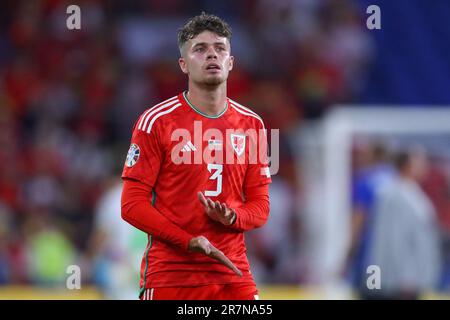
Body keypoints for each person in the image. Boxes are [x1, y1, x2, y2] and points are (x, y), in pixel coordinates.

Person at [120, 13, 272, 300]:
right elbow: (131, 205)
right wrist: (189, 241)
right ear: (183, 64)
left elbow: (260, 207)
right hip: (171, 278)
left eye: (220, 48)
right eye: (200, 49)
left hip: (233, 276)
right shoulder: (156, 121)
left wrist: (232, 217)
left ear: (230, 62)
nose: (211, 54)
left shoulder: (253, 124)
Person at [367, 148, 441, 299]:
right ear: (407, 166)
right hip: (401, 280)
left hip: (415, 276)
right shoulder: (394, 195)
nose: (424, 167)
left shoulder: (413, 193)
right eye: (419, 162)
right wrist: (404, 277)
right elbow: (392, 240)